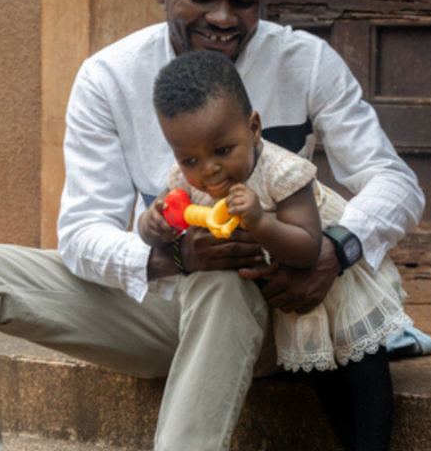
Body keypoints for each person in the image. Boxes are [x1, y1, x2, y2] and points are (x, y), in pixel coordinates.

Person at [0, 0, 424, 451]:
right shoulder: (110, 77)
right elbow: (83, 235)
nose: (223, 18)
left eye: (243, 1)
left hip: (276, 316)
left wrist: (335, 250)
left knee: (224, 277)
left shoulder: (305, 62)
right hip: (158, 308)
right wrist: (172, 256)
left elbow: (394, 181)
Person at [141, 50, 411, 448]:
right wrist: (152, 225)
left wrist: (260, 221)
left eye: (223, 150)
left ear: (253, 127)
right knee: (324, 379)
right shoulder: (185, 180)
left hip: (332, 283)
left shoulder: (282, 172)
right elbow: (167, 221)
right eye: (190, 159)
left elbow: (307, 250)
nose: (209, 170)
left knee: (362, 369)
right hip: (288, 300)